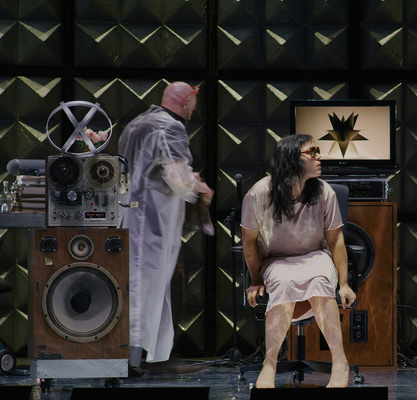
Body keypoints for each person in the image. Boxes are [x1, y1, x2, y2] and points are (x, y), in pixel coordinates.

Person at [241, 134, 356, 388]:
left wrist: (344, 284)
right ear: (292, 159)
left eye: (318, 150)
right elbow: (249, 242)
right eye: (311, 152)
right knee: (282, 282)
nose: (319, 156)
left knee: (320, 279)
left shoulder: (323, 191)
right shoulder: (259, 193)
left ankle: (340, 361)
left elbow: (336, 240)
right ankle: (269, 363)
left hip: (316, 255)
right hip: (276, 260)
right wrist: (256, 280)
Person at [118, 82, 213, 375]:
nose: (194, 111)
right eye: (193, 104)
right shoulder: (171, 127)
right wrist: (198, 185)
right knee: (147, 287)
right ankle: (136, 360)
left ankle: (147, 358)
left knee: (136, 286)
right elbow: (178, 179)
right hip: (151, 221)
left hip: (128, 215)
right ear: (185, 102)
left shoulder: (136, 124)